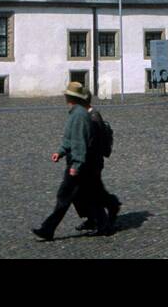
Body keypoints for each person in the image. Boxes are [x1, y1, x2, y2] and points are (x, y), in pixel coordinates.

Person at [32, 81, 107, 241]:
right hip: (78, 162)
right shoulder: (76, 113)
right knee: (89, 195)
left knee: (64, 196)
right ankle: (102, 224)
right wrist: (60, 152)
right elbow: (70, 139)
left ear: (71, 97)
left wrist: (76, 165)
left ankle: (48, 229)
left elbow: (79, 142)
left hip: (77, 163)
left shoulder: (79, 115)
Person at [74, 91, 121, 235]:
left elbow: (92, 142)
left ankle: (102, 218)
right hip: (90, 160)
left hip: (92, 161)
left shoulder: (93, 116)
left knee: (89, 191)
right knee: (90, 191)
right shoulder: (85, 115)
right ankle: (104, 211)